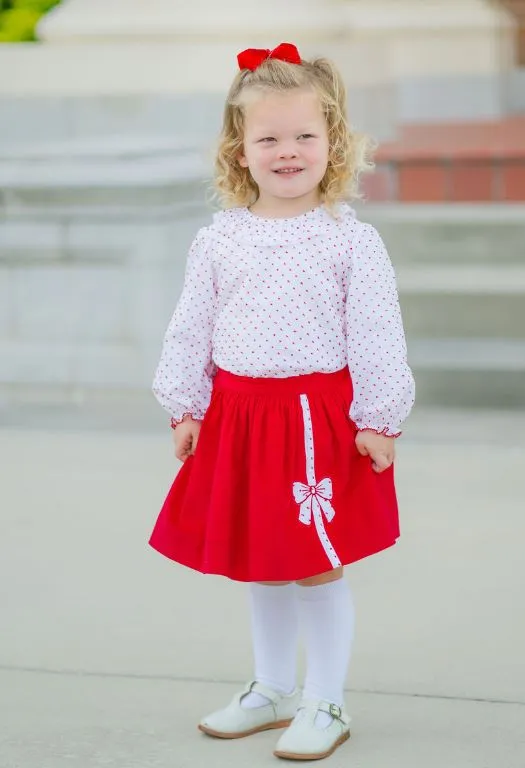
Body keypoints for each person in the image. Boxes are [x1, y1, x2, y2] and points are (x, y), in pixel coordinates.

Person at [149, 42, 415, 761]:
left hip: (314, 421)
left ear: (335, 143)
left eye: (305, 136)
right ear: (239, 150)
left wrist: (378, 418)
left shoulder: (348, 242)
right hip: (238, 415)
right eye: (268, 138)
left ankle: (325, 698)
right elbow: (191, 325)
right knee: (259, 557)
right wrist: (185, 404)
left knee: (313, 560)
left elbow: (376, 333)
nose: (288, 151)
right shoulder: (219, 240)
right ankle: (272, 687)